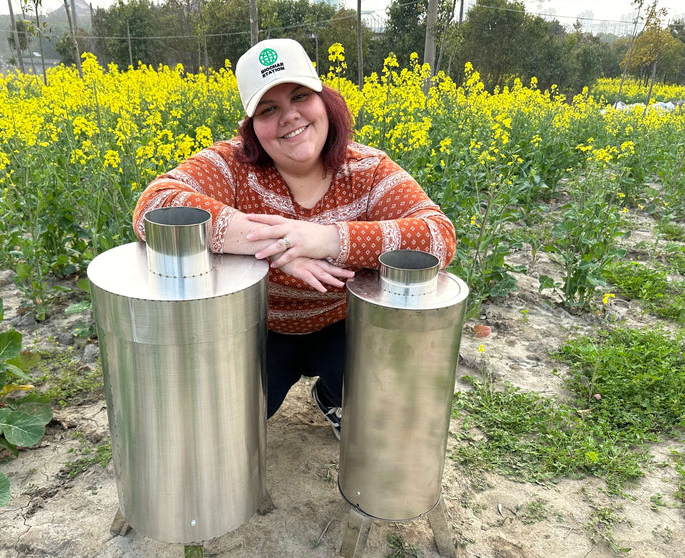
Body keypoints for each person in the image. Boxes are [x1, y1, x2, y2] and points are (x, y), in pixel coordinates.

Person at [132, 38, 456, 438]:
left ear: (325, 102)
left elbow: (438, 237)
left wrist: (327, 239)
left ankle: (331, 396)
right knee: (230, 422)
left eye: (300, 96)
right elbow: (153, 207)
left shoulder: (368, 170)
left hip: (345, 323)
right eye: (268, 109)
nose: (289, 117)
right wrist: (278, 247)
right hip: (258, 327)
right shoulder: (233, 166)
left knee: (380, 399)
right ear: (252, 128)